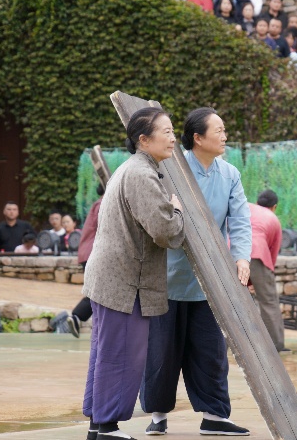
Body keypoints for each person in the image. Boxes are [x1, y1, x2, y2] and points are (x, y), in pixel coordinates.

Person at [140, 107, 250, 437]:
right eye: (218, 130)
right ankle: (158, 415)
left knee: (211, 351)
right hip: (168, 276)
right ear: (198, 138)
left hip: (209, 280)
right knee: (162, 351)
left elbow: (240, 221)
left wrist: (242, 258)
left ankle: (215, 416)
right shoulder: (170, 170)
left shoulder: (229, 174)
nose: (224, 135)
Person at [81, 106, 186, 440]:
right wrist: (178, 211)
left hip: (111, 277)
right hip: (124, 281)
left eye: (173, 131)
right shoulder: (142, 174)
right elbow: (164, 229)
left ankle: (99, 425)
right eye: (166, 131)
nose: (173, 137)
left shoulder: (132, 169)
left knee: (106, 351)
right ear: (144, 139)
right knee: (122, 353)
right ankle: (108, 426)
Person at [248, 190, 285, 351]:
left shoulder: (247, 208)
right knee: (269, 302)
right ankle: (275, 345)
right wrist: (262, 280)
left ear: (257, 202)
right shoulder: (274, 220)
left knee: (231, 300)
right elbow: (272, 256)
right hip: (258, 254)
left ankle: (225, 343)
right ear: (274, 207)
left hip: (232, 250)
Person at [67, 185, 104, 338]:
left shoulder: (98, 203)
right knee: (99, 289)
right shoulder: (104, 203)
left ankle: (80, 317)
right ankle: (78, 315)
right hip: (94, 252)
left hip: (88, 252)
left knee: (99, 289)